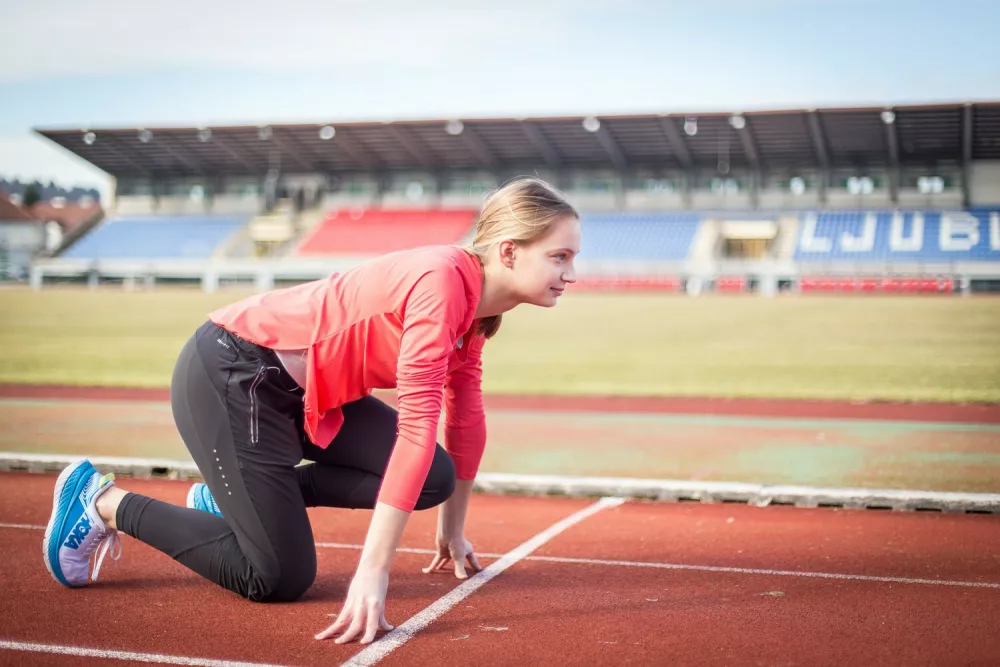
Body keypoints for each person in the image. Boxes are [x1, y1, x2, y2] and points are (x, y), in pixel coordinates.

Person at [42, 177, 581, 646]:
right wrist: (373, 572)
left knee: (433, 479)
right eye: (560, 256)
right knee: (277, 577)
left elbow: (464, 420)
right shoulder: (441, 282)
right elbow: (417, 427)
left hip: (308, 399)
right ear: (509, 252)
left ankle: (230, 500)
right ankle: (104, 502)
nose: (571, 273)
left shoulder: (477, 313)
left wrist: (452, 529)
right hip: (236, 374)